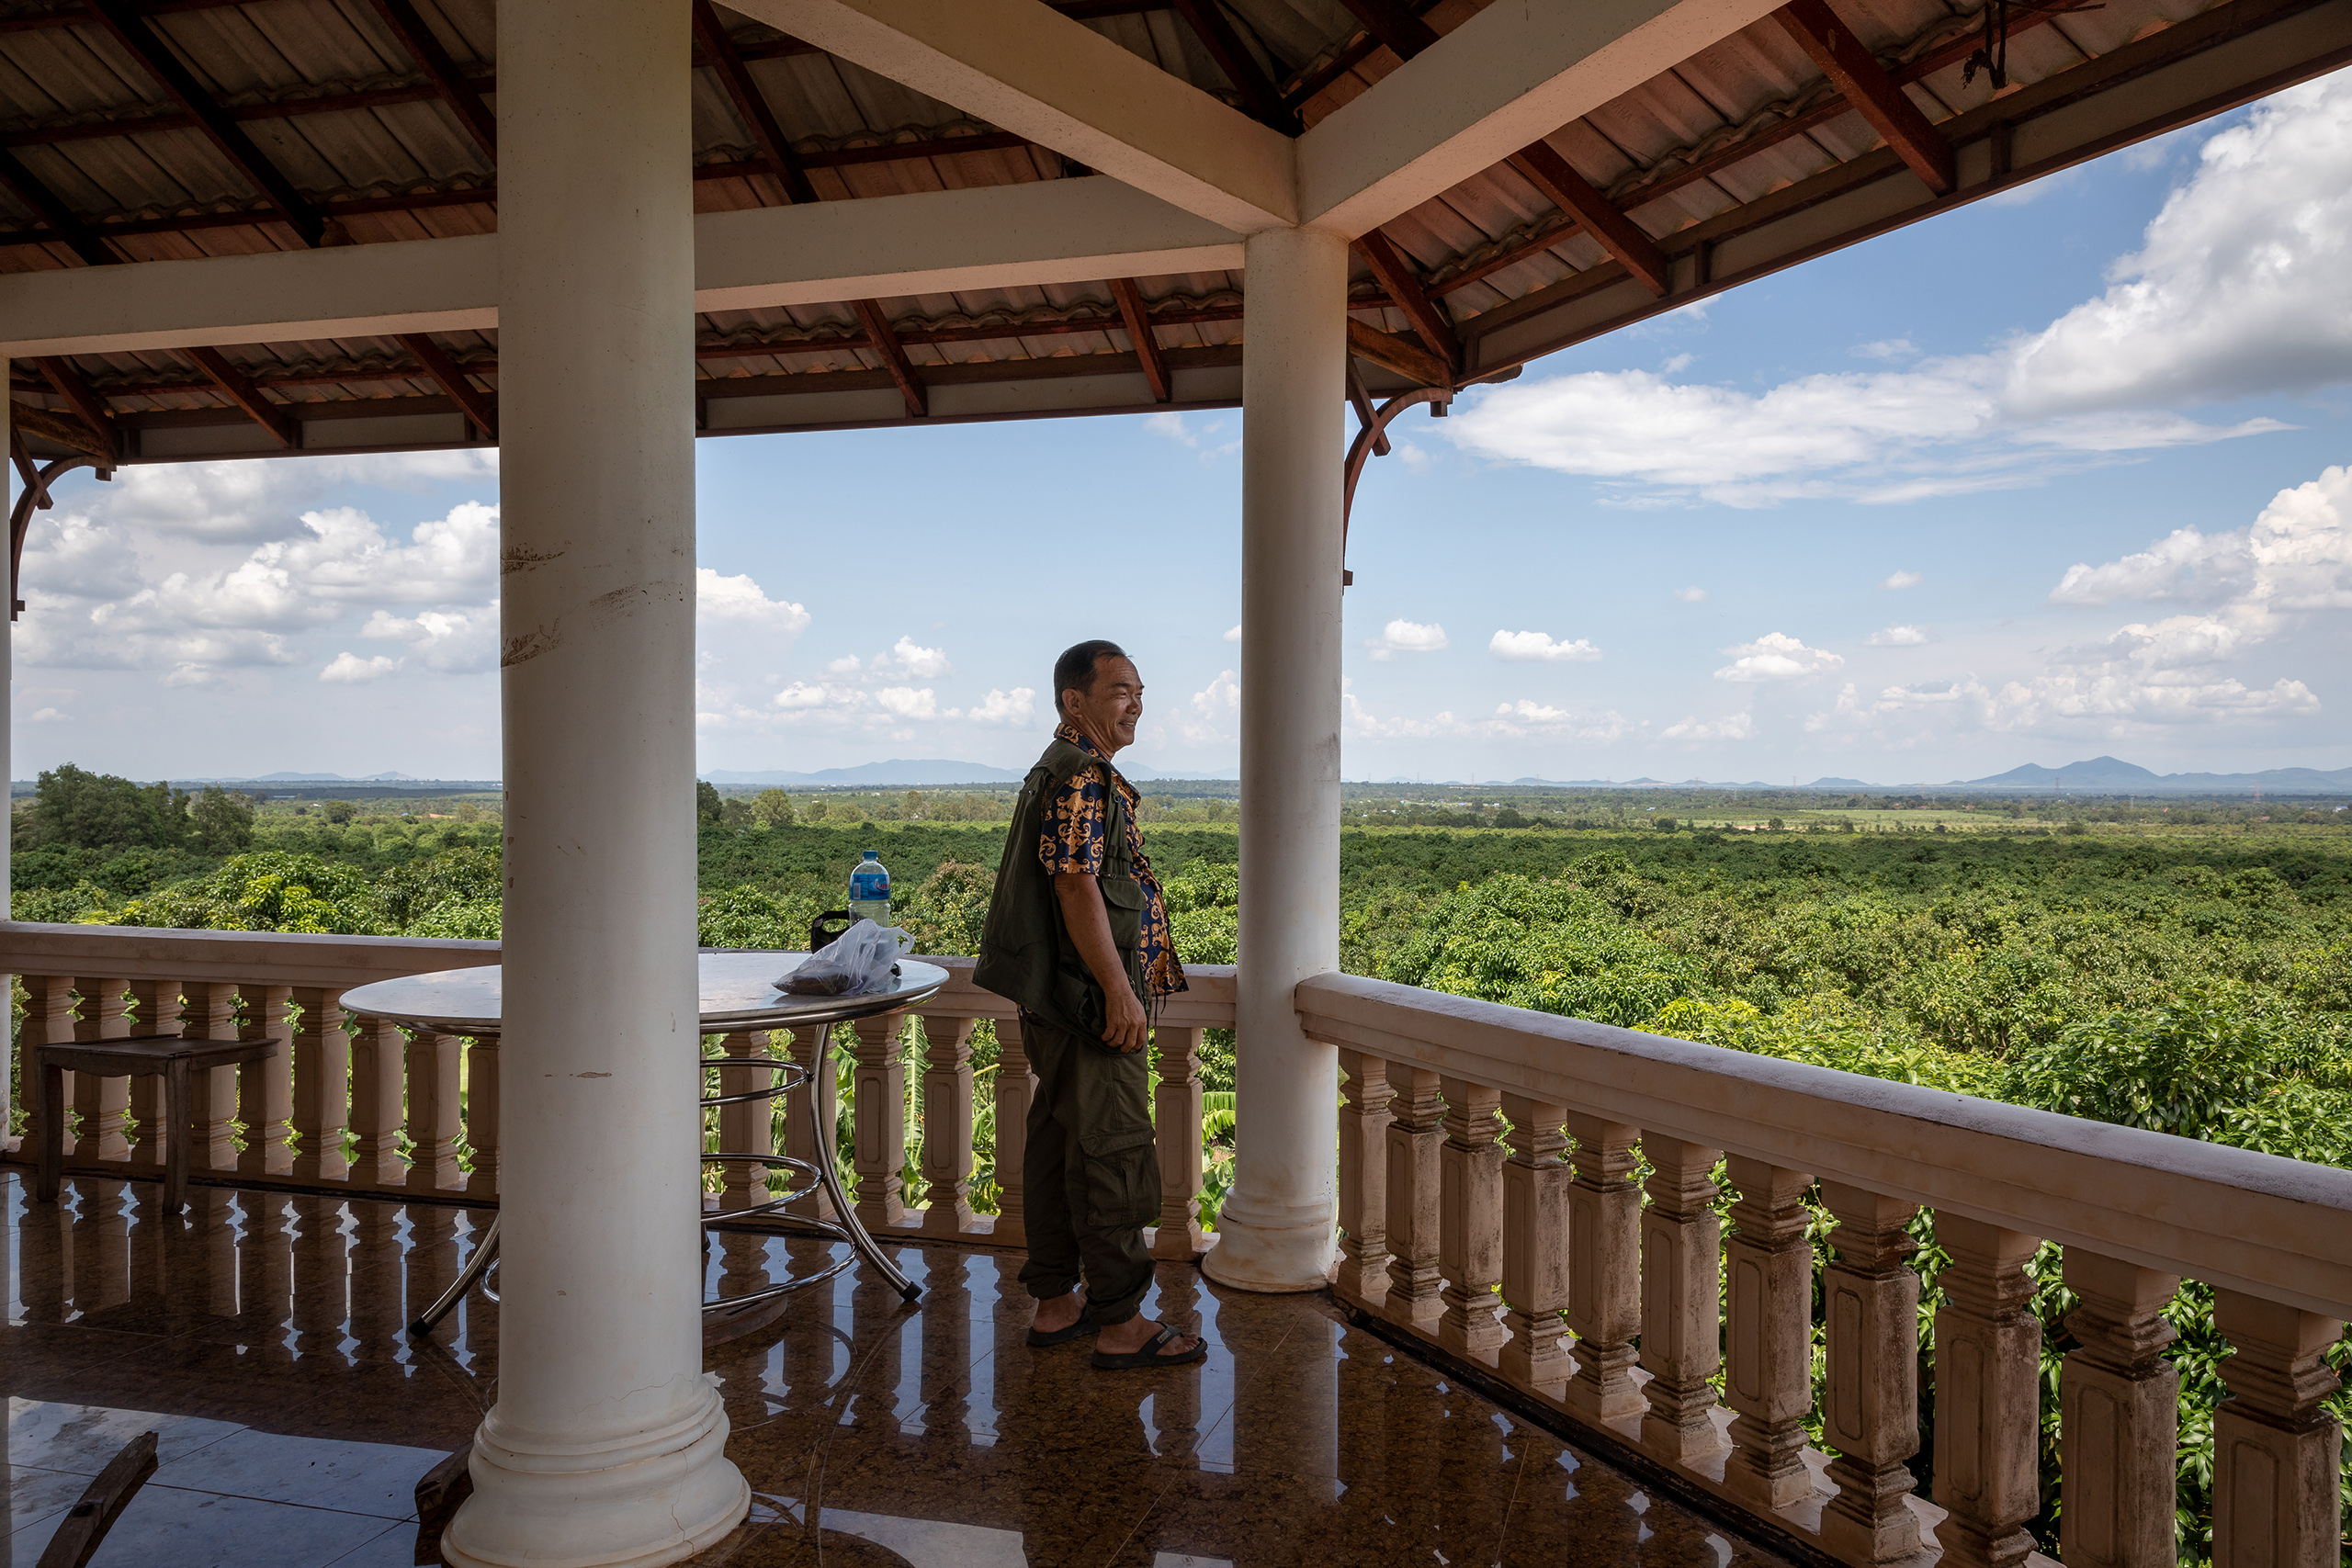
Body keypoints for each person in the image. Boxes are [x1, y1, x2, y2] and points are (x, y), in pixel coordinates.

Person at [974, 638, 1204, 1370]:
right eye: (1120, 690)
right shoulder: (1081, 775)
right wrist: (1116, 988)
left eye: (1140, 690)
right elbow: (1076, 885)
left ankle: (1055, 1302)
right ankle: (1120, 1321)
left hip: (1056, 1000)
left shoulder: (1057, 770)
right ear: (1075, 700)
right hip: (1087, 1004)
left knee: (1058, 1144)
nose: (1135, 702)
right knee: (1112, 1151)